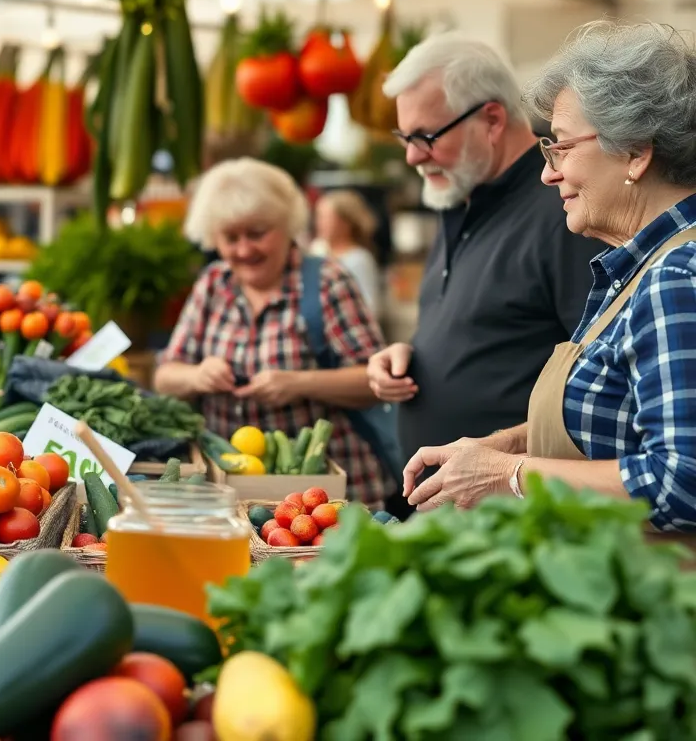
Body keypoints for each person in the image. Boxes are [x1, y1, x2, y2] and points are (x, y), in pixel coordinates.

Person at [401, 22, 696, 532]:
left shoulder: (674, 275)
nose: (548, 173)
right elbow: (614, 419)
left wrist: (509, 474)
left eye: (561, 147)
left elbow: (682, 481)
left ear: (635, 152)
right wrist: (509, 442)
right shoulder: (639, 266)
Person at [366, 33, 604, 461]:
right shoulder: (462, 193)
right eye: (405, 138)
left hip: (515, 509)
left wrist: (504, 454)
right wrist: (413, 355)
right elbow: (490, 330)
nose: (412, 158)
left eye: (425, 137)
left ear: (492, 119)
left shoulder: (565, 212)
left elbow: (600, 385)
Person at [154, 157, 393, 507]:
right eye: (230, 237)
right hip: (231, 496)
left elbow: (374, 381)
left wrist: (299, 383)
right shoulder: (213, 284)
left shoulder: (328, 282)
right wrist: (198, 375)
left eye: (257, 233)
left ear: (287, 225)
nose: (244, 249)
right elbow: (165, 376)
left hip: (326, 499)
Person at [312, 189, 382, 318]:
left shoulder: (359, 259)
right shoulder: (317, 249)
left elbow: (369, 307)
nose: (319, 223)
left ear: (345, 223)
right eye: (318, 216)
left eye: (326, 217)